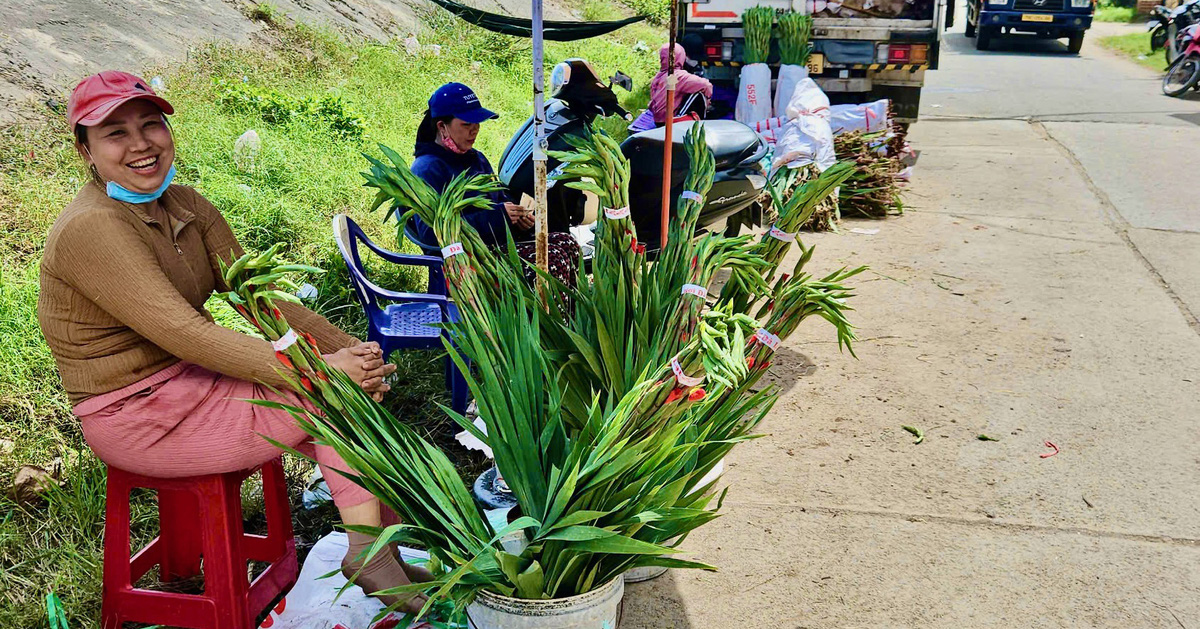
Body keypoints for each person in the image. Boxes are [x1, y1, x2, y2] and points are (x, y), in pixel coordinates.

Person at [37, 71, 428, 613]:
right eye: (115, 133)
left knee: (345, 384)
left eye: (151, 125)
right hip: (132, 410)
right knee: (330, 398)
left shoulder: (185, 205)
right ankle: (369, 550)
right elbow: (185, 332)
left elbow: (258, 298)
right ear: (86, 149)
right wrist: (321, 373)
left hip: (186, 381)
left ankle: (382, 543)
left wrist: (353, 349)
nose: (141, 144)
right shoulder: (92, 228)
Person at [409, 82, 579, 287]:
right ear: (441, 126)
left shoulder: (475, 158)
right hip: (464, 261)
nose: (475, 131)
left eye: (478, 123)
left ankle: (568, 316)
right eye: (466, 124)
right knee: (551, 260)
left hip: (495, 246)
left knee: (567, 244)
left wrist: (517, 216)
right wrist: (499, 218)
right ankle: (548, 318)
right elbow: (431, 234)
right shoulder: (427, 169)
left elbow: (497, 198)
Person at [648, 44, 714, 125]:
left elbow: (651, 105)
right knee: (698, 93)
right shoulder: (678, 76)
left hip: (657, 121)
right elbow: (706, 85)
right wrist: (707, 101)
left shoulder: (658, 77)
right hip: (671, 122)